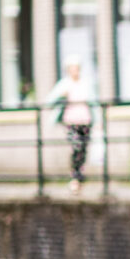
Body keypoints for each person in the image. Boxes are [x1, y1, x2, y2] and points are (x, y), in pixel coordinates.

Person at [45, 56, 95, 195]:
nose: (75, 71)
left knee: (83, 149)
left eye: (77, 69)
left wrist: (98, 121)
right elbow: (49, 100)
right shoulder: (64, 84)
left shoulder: (85, 83)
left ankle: (79, 176)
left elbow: (94, 103)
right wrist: (62, 95)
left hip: (85, 121)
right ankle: (75, 178)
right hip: (71, 122)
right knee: (76, 147)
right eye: (73, 69)